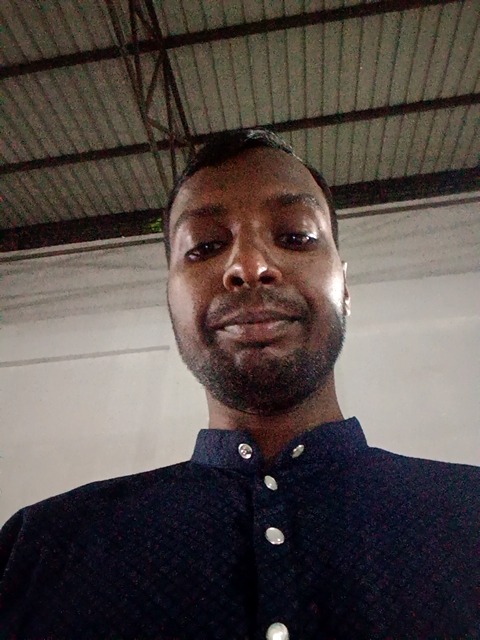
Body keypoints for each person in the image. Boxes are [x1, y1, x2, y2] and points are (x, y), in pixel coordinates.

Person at [0, 129, 478, 640]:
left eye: (295, 236)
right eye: (205, 246)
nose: (249, 267)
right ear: (171, 303)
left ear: (345, 288)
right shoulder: (39, 549)